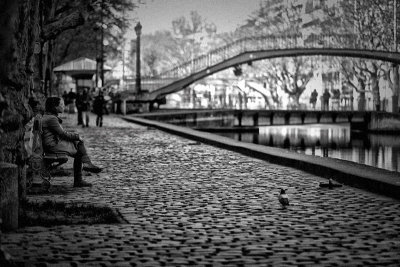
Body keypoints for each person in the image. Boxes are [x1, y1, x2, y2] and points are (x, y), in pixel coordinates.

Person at [42, 97, 102, 187]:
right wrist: (77, 136)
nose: (64, 106)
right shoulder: (52, 119)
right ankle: (82, 173)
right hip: (52, 146)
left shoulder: (48, 116)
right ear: (55, 107)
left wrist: (75, 136)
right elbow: (63, 134)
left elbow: (61, 134)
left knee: (77, 143)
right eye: (62, 104)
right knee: (78, 148)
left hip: (49, 144)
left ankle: (86, 165)